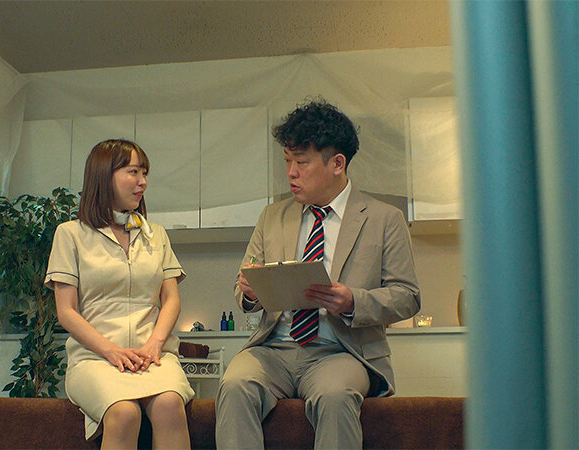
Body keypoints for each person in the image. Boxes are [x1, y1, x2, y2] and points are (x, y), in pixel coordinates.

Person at [215, 98, 421, 449]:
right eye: (287, 161)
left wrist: (353, 301)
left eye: (301, 162)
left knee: (335, 395)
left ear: (337, 163)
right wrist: (250, 292)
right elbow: (243, 286)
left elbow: (408, 296)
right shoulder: (272, 216)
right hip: (273, 349)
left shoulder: (384, 219)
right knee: (234, 384)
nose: (291, 172)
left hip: (342, 350)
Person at [46, 139, 193, 449]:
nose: (143, 182)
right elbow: (66, 311)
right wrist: (112, 351)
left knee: (169, 405)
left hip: (153, 356)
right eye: (133, 172)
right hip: (96, 358)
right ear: (104, 175)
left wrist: (155, 344)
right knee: (124, 412)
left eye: (144, 173)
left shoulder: (156, 234)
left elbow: (171, 299)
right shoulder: (69, 234)